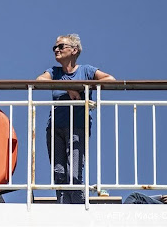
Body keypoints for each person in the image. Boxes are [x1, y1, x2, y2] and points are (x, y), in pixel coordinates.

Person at [36, 33, 115, 204]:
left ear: (74, 50)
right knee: (59, 172)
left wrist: (81, 87)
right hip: (55, 128)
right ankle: (63, 207)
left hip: (77, 126)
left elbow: (110, 80)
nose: (56, 49)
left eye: (61, 46)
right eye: (54, 47)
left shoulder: (86, 70)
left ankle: (77, 208)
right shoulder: (54, 72)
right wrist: (68, 87)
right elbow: (39, 81)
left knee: (74, 171)